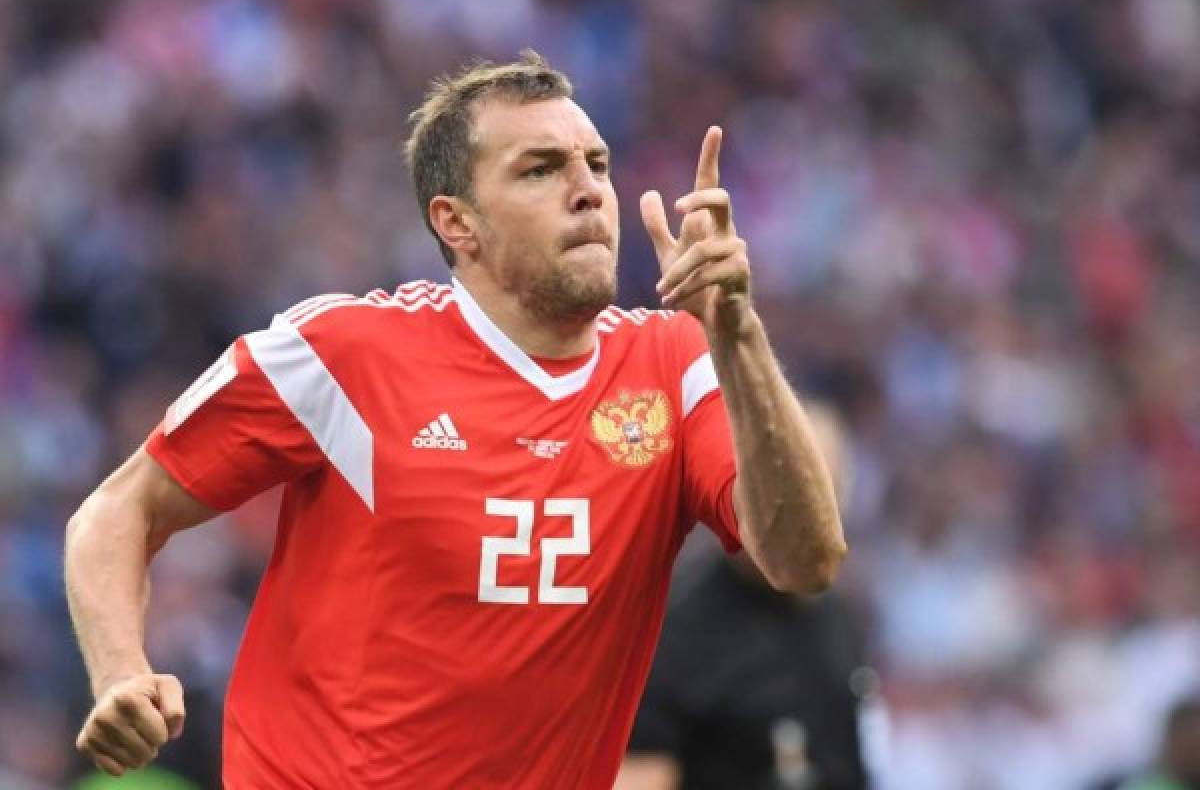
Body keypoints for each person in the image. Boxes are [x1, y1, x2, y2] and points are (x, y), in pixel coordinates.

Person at [64, 51, 846, 789]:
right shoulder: (345, 352)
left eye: (596, 164)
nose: (588, 190)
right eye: (541, 170)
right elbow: (118, 509)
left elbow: (803, 562)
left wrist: (737, 331)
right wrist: (120, 673)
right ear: (457, 223)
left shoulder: (673, 364)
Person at [617, 403, 872, 790]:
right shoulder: (673, 627)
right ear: (747, 495)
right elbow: (640, 775)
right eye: (790, 501)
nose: (807, 523)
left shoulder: (839, 613)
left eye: (822, 502)